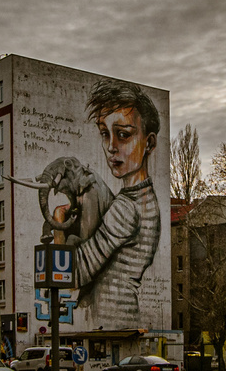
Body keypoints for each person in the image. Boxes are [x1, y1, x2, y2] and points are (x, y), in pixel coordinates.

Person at [70, 79, 163, 329]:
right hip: (123, 319)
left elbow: (73, 275)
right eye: (105, 133)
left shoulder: (126, 207)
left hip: (109, 321)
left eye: (123, 135)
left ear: (150, 143)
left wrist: (59, 225)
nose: (111, 147)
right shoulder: (146, 200)